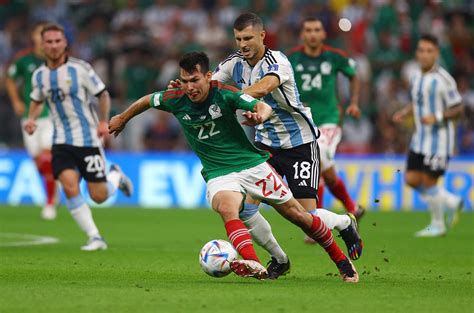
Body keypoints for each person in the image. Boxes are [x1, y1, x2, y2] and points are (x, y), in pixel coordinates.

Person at [110, 51, 359, 282]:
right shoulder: (176, 98)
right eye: (184, 81)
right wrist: (122, 118)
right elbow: (147, 100)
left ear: (208, 76)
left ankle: (340, 259)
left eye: (194, 80)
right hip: (218, 172)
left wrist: (260, 115)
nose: (189, 87)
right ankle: (255, 262)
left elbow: (261, 105)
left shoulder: (225, 94)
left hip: (252, 164)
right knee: (229, 208)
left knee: (300, 216)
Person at [24, 23, 133, 250]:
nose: (53, 46)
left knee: (99, 196)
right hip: (61, 141)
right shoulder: (40, 75)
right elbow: (36, 99)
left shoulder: (80, 69)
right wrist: (32, 118)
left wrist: (103, 121)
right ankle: (95, 237)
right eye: (49, 42)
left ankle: (114, 177)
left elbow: (102, 95)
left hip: (87, 140)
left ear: (65, 43)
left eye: (57, 41)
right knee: (69, 186)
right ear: (42, 46)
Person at [287, 17, 365, 223]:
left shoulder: (334, 56)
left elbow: (354, 75)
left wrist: (354, 102)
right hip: (303, 123)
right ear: (302, 35)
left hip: (329, 119)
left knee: (318, 159)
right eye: (308, 30)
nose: (312, 34)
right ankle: (352, 207)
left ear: (323, 34)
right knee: (326, 173)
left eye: (317, 30)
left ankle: (316, 223)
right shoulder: (291, 58)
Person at [393, 34, 464, 237]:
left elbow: (458, 108)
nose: (424, 55)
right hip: (419, 139)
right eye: (421, 51)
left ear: (436, 53)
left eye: (429, 51)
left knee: (429, 182)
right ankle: (452, 202)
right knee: (411, 179)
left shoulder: (444, 79)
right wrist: (405, 112)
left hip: (439, 141)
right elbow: (418, 102)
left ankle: (438, 224)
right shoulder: (416, 76)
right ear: (417, 53)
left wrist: (438, 116)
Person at [5, 22, 58, 220]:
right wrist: (16, 100)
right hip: (29, 116)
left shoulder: (57, 59)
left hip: (51, 116)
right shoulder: (23, 60)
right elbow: (10, 79)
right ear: (34, 38)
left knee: (47, 157)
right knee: (39, 163)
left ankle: (50, 202)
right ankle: (54, 186)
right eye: (39, 34)